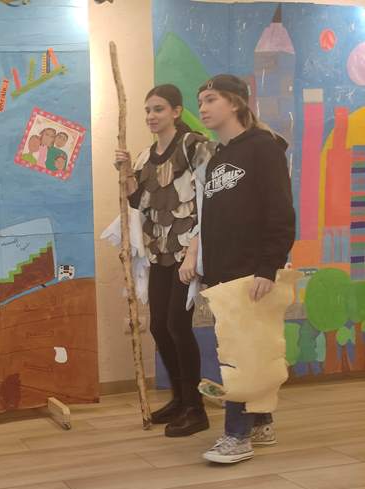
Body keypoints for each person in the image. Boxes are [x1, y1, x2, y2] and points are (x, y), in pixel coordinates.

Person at [195, 74, 296, 464]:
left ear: (235, 103)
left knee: (239, 356)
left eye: (211, 99)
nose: (203, 107)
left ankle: (237, 436)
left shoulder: (263, 148)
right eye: (201, 101)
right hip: (224, 274)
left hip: (252, 272)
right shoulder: (218, 157)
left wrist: (267, 267)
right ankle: (261, 423)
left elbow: (281, 212)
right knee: (246, 349)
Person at [114, 84, 215, 437]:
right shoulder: (145, 157)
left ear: (176, 111)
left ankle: (195, 408)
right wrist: (126, 172)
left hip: (188, 250)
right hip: (160, 251)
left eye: (158, 109)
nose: (151, 116)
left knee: (177, 325)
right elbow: (139, 202)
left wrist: (196, 250)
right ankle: (180, 398)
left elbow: (209, 199)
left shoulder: (194, 147)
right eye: (147, 110)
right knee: (159, 326)